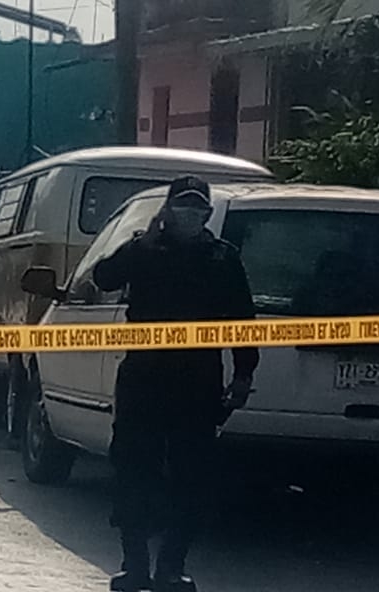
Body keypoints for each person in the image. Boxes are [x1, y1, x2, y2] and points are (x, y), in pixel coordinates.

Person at [92, 176, 258, 592]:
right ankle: (134, 565)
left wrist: (242, 376)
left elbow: (242, 322)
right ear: (167, 210)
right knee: (132, 471)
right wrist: (139, 242)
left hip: (197, 385)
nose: (190, 214)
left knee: (191, 479)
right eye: (181, 206)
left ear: (206, 213)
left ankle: (171, 568)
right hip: (143, 381)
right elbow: (103, 277)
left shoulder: (222, 259)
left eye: (197, 207)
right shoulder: (143, 250)